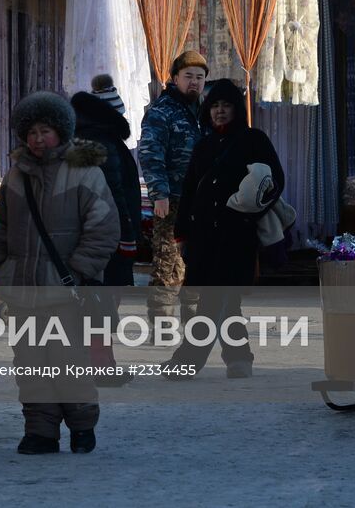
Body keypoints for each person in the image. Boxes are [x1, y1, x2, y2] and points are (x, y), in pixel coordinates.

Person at [0, 91, 119, 455]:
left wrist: (77, 270)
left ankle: (81, 427)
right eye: (31, 132)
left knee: (68, 360)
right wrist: (1, 266)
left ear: (61, 131)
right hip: (23, 288)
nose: (37, 138)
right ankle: (40, 431)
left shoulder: (84, 172)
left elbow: (104, 227)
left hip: (65, 290)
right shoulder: (16, 174)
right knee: (30, 363)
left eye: (45, 130)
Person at [169, 79, 285, 377]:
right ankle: (239, 358)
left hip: (236, 236)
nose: (219, 111)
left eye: (226, 105)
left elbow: (274, 182)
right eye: (215, 106)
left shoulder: (253, 140)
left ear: (236, 109)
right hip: (204, 238)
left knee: (214, 299)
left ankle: (188, 361)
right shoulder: (204, 146)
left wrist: (250, 211)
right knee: (226, 300)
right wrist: (181, 233)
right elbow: (190, 190)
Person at [138, 50, 207, 320]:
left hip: (201, 201)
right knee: (168, 264)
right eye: (188, 76)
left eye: (199, 77)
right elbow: (150, 152)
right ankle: (162, 323)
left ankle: (195, 324)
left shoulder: (204, 112)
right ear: (175, 77)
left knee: (197, 263)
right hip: (172, 200)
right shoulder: (162, 111)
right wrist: (159, 194)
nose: (194, 82)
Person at [71, 85, 141, 283]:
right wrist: (127, 235)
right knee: (104, 299)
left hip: (93, 237)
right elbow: (114, 192)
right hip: (108, 238)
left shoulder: (82, 139)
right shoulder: (102, 142)